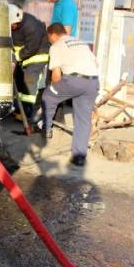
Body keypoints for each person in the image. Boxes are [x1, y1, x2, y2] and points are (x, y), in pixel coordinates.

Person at [42, 23, 99, 167]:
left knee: (48, 96)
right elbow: (95, 63)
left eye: (49, 37)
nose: (49, 40)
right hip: (93, 82)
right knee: (83, 119)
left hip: (74, 80)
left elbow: (56, 75)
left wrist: (55, 90)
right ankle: (79, 157)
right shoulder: (80, 41)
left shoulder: (55, 46)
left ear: (53, 34)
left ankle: (46, 129)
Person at [8, 4, 49, 122]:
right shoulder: (13, 26)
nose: (11, 27)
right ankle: (19, 109)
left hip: (37, 57)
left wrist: (16, 57)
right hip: (24, 58)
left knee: (29, 83)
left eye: (12, 25)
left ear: (17, 19)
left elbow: (32, 47)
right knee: (20, 83)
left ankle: (28, 113)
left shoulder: (31, 26)